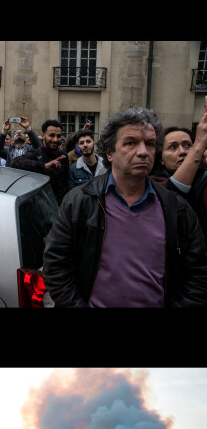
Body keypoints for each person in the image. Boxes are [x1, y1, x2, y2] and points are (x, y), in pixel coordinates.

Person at [42, 105, 207, 306]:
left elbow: (198, 274)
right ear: (110, 152)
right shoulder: (79, 201)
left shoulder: (176, 209)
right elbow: (55, 265)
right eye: (131, 143)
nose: (143, 152)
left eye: (150, 144)